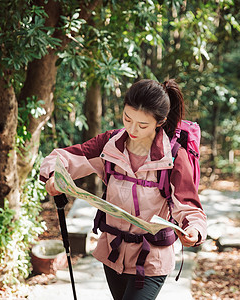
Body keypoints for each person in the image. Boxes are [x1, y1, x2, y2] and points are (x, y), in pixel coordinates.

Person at [39, 79, 207, 300]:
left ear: (160, 122)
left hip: (152, 256)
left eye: (143, 125)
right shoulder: (109, 145)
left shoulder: (174, 157)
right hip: (114, 252)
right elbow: (63, 158)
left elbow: (190, 207)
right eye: (128, 119)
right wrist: (54, 176)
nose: (132, 129)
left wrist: (193, 231)